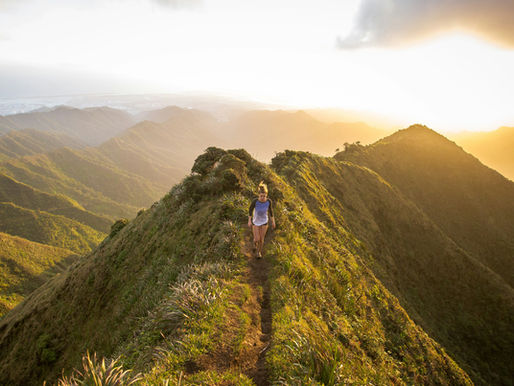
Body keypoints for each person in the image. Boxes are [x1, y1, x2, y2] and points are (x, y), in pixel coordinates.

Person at [248, 181, 276, 258]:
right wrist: (249, 220)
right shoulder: (255, 201)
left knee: (261, 239)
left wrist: (273, 222)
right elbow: (250, 210)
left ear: (266, 195)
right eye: (261, 196)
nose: (263, 198)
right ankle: (254, 244)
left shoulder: (268, 202)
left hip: (264, 222)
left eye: (264, 196)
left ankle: (259, 252)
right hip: (256, 222)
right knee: (256, 239)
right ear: (258, 195)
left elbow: (271, 212)